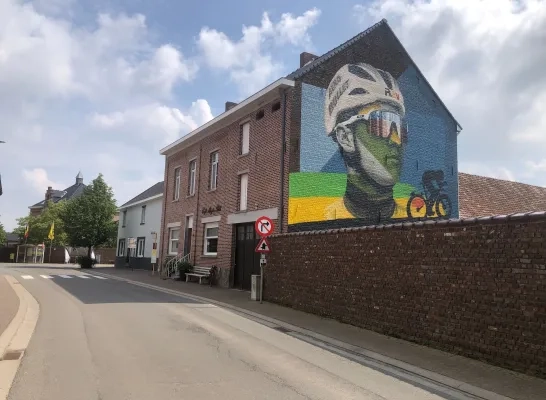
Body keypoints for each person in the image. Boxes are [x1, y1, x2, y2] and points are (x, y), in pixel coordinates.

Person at [323, 63, 407, 224]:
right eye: (382, 124)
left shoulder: (417, 218)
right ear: (345, 137)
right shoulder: (327, 219)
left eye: (402, 129)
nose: (396, 140)